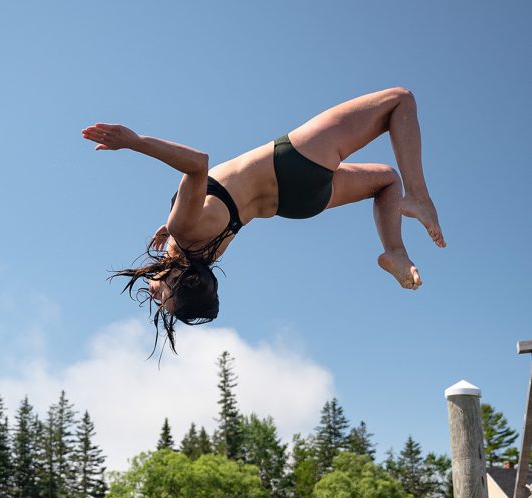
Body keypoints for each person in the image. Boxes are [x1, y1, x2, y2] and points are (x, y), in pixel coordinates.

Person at [82, 88, 444, 350]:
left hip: (296, 203)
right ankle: (420, 197)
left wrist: (170, 226)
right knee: (400, 101)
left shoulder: (204, 253)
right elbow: (198, 164)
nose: (155, 294)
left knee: (385, 180)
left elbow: (207, 219)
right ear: (180, 277)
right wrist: (135, 141)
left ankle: (395, 251)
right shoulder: (182, 230)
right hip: (292, 162)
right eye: (164, 297)